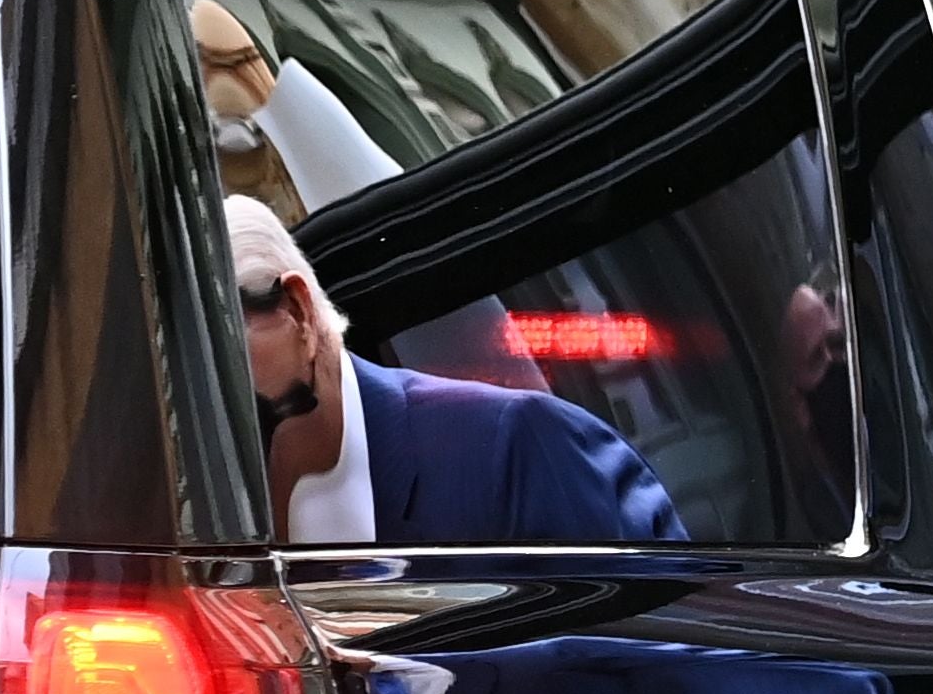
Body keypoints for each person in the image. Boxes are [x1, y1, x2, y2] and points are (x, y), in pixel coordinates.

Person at [226, 200, 684, 552]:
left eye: (216, 356)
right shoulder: (195, 524)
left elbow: (665, 657)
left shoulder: (511, 452)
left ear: (296, 313)